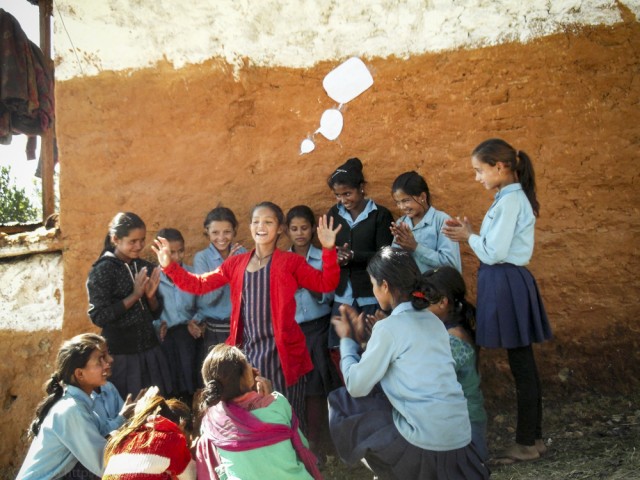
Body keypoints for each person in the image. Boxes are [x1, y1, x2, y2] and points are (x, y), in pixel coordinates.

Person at [152, 202, 341, 426]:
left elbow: (326, 283)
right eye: (256, 221)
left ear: (280, 228)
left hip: (284, 355)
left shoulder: (291, 262)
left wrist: (329, 250)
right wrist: (169, 267)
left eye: (268, 222)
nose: (261, 226)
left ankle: (297, 457)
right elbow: (199, 285)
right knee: (255, 415)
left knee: (289, 413)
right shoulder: (236, 263)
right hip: (248, 354)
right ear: (250, 226)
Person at [329, 247, 489, 479]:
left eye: (373, 284)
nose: (374, 291)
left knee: (344, 402)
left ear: (384, 286)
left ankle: (390, 471)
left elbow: (356, 385)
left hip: (426, 442)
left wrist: (347, 341)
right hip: (460, 439)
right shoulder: (433, 321)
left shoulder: (389, 328)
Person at [442, 138, 553, 463]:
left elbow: (495, 252)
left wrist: (468, 237)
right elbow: (496, 242)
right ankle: (532, 438)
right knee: (524, 364)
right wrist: (474, 232)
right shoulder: (507, 198)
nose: (478, 177)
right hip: (506, 281)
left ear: (500, 167)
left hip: (505, 280)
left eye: (480, 170)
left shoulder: (510, 201)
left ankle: (526, 443)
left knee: (521, 364)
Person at [196, 344, 321, 480]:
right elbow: (302, 446)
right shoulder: (277, 404)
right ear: (245, 376)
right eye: (247, 362)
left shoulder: (212, 423)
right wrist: (269, 397)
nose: (251, 365)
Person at [86, 212, 172, 398]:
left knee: (154, 409)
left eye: (142, 240)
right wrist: (134, 296)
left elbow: (155, 313)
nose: (139, 246)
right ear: (115, 239)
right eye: (132, 241)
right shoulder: (103, 270)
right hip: (120, 357)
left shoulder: (144, 266)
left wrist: (150, 298)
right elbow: (99, 316)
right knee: (128, 410)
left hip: (150, 351)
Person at [326, 157, 394, 368]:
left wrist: (355, 256)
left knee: (372, 347)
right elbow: (327, 247)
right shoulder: (333, 215)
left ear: (362, 188)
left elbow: (385, 254)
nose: (343, 200)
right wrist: (335, 257)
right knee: (341, 347)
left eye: (347, 193)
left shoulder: (379, 215)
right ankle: (351, 390)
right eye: (338, 195)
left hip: (369, 293)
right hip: (343, 294)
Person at [16, 334, 111, 480]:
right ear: (79, 373)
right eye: (100, 360)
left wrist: (126, 418)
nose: (107, 364)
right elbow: (103, 464)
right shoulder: (73, 410)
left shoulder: (80, 402)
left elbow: (101, 433)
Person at [286, 205, 340, 456]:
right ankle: (306, 442)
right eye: (294, 229)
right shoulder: (282, 261)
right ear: (287, 231)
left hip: (319, 330)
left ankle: (327, 442)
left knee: (322, 386)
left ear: (313, 230)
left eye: (304, 228)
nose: (300, 233)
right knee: (302, 390)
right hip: (294, 334)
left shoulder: (322, 257)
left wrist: (306, 284)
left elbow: (329, 295)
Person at [421, 266, 488, 461]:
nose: (418, 308)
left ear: (442, 302)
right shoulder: (444, 328)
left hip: (465, 433)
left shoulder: (454, 339)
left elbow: (428, 375)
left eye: (424, 303)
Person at [153, 227, 200, 406]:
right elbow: (148, 311)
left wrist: (196, 320)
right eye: (171, 252)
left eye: (181, 251)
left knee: (192, 384)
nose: (177, 257)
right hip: (166, 340)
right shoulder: (153, 278)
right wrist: (156, 325)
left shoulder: (192, 274)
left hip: (189, 338)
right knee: (170, 388)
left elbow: (202, 303)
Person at [193, 206, 247, 360]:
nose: (221, 237)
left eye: (227, 232)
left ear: (234, 230)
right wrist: (226, 269)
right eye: (215, 232)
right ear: (207, 232)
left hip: (241, 326)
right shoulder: (201, 258)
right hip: (216, 329)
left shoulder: (241, 253)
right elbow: (207, 299)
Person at [103, 394, 196, 479]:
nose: (187, 444)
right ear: (181, 425)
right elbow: (193, 476)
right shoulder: (172, 440)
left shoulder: (126, 438)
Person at [390, 170, 461, 272]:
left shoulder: (442, 221)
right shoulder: (401, 223)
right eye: (398, 202)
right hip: (410, 287)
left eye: (406, 201)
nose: (402, 207)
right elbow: (395, 262)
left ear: (422, 197)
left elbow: (450, 264)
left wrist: (415, 247)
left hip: (436, 286)